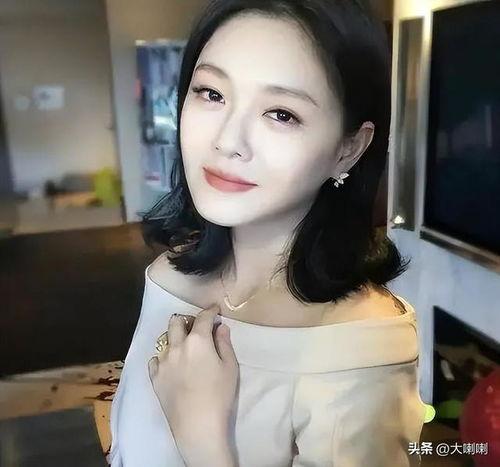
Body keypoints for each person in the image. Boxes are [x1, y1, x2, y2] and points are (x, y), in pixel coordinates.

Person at [108, 1, 427, 466]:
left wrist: (202, 439)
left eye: (281, 114)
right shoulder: (168, 278)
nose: (227, 141)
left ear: (348, 149)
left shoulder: (361, 347)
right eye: (211, 93)